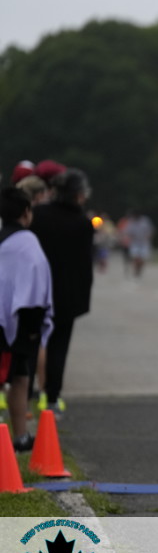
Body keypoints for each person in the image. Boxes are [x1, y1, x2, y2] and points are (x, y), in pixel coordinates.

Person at [28, 169, 94, 419]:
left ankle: (24, 395)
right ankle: (52, 398)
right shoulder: (82, 223)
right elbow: (85, 265)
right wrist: (83, 297)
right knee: (58, 348)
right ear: (78, 194)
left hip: (36, 291)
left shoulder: (38, 215)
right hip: (67, 296)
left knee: (31, 345)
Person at [0, 188, 53, 451]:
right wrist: (34, 328)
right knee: (19, 377)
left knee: (16, 375)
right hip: (17, 322)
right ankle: (20, 435)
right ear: (26, 212)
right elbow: (35, 287)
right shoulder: (27, 243)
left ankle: (19, 436)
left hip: (4, 319)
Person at [123, 210, 154, 278]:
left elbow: (150, 230)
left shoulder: (145, 221)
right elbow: (127, 232)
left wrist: (149, 236)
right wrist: (127, 239)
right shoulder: (131, 222)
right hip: (135, 242)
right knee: (136, 257)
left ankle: (139, 269)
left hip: (144, 242)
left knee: (142, 259)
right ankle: (136, 270)